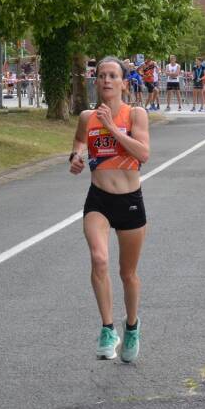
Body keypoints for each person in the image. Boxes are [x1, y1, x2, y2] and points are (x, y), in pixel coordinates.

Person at [69, 56, 149, 363]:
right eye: (101, 75)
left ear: (123, 83)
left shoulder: (135, 114)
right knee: (99, 259)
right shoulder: (86, 116)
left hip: (129, 201)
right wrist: (75, 157)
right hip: (98, 199)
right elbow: (78, 142)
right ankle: (107, 328)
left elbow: (144, 153)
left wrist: (112, 128)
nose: (105, 80)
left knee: (127, 273)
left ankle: (131, 326)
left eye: (112, 75)